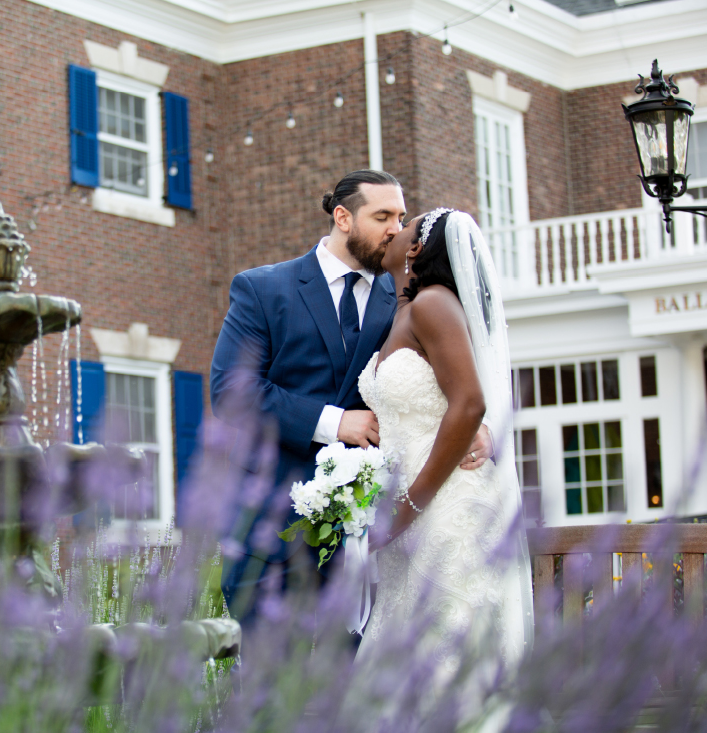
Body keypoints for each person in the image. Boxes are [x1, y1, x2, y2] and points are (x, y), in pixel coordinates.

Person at [209, 171, 493, 625]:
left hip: (375, 543)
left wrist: (481, 430)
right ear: (342, 217)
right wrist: (333, 423)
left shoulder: (408, 301)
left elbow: (453, 385)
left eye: (400, 218)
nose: (395, 230)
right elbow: (231, 392)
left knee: (353, 686)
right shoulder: (262, 289)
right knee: (271, 687)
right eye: (382, 216)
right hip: (270, 532)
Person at [353, 208, 533, 723]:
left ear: (414, 251)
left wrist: (409, 503)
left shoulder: (433, 304)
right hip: (405, 520)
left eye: (403, 226)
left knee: (446, 664)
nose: (392, 229)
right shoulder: (404, 312)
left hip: (447, 508)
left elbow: (470, 402)